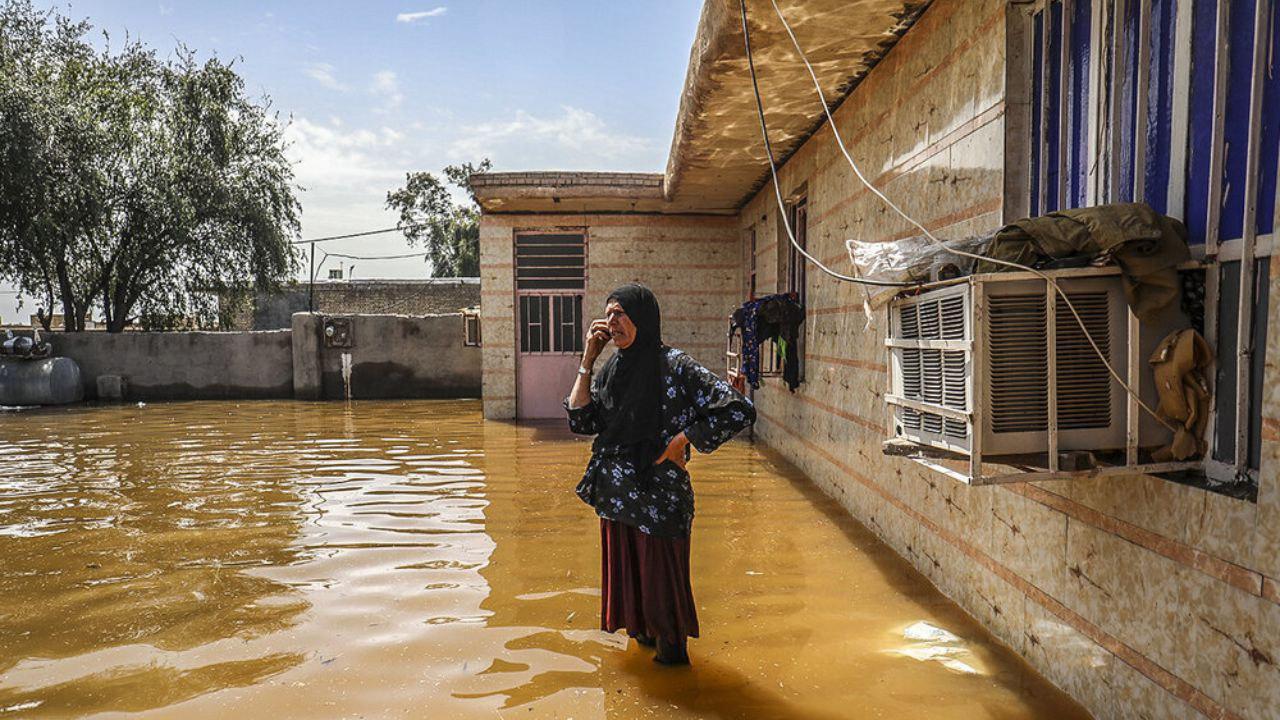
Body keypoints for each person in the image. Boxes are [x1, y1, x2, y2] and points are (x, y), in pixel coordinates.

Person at [564, 283, 755, 665]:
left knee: (665, 612)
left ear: (644, 318)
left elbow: (737, 409)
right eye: (608, 314)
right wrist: (588, 357)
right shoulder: (611, 370)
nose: (611, 321)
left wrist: (682, 440)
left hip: (660, 505)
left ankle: (678, 687)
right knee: (636, 615)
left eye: (620, 313)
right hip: (618, 506)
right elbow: (582, 419)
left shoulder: (675, 366)